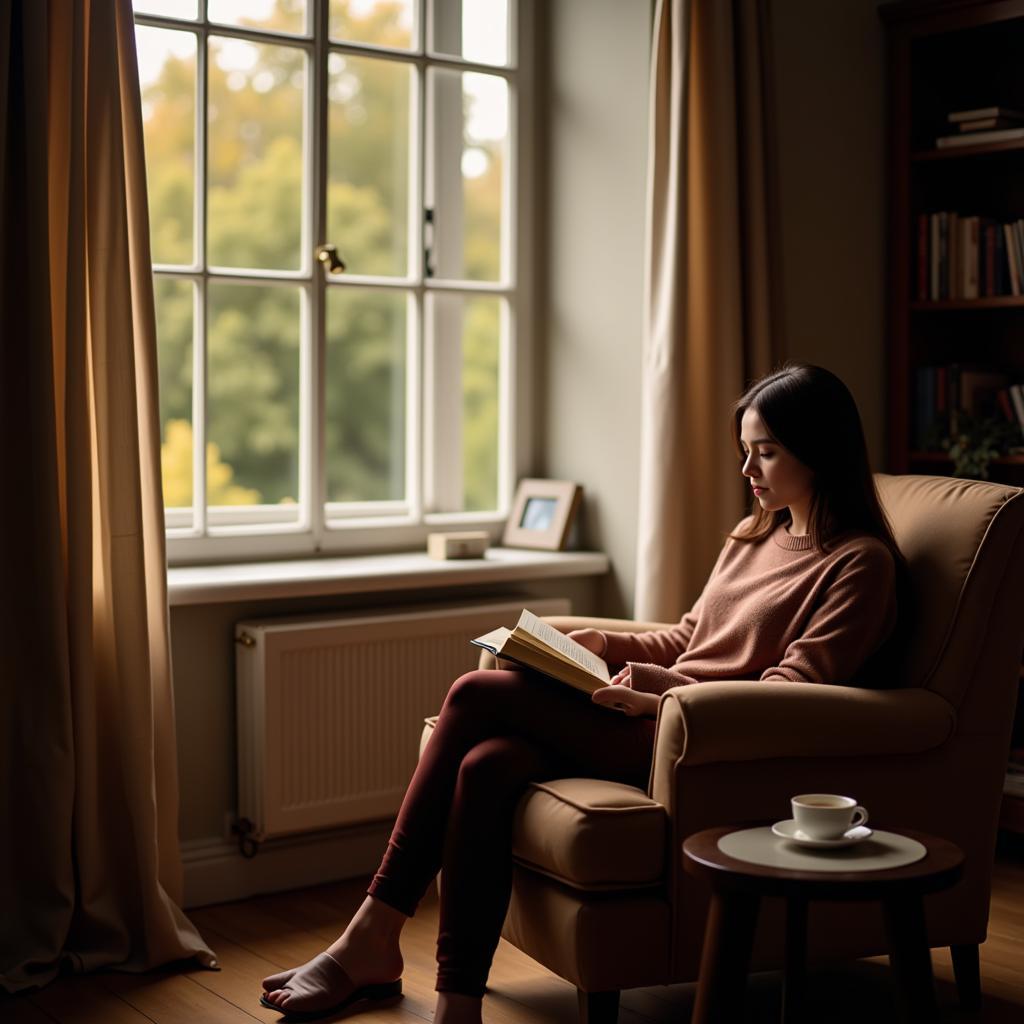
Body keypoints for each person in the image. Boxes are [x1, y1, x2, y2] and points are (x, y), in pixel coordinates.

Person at [259, 362, 906, 1023]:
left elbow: (791, 693)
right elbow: (689, 637)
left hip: (694, 742)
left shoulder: (860, 564)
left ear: (820, 450)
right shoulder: (755, 534)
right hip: (647, 713)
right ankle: (458, 1000)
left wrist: (660, 697)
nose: (748, 471)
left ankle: (368, 936)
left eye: (765, 453)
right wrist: (603, 642)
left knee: (473, 695)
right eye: (745, 451)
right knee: (486, 765)